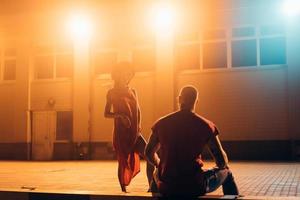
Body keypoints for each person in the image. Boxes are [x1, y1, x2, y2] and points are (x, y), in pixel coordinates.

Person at [145, 85, 239, 197]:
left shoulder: (161, 124)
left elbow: (148, 152)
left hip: (168, 185)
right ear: (196, 101)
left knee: (158, 172)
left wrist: (159, 164)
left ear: (179, 99)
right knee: (227, 172)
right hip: (195, 185)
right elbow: (221, 162)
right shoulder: (206, 126)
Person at [104, 61, 154, 192]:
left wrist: (138, 125)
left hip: (135, 132)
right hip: (121, 133)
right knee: (123, 161)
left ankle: (151, 185)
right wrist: (120, 116)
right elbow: (106, 113)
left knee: (150, 155)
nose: (127, 77)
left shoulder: (133, 91)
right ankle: (123, 190)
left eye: (129, 74)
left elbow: (138, 110)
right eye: (125, 73)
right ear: (117, 74)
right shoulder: (111, 92)